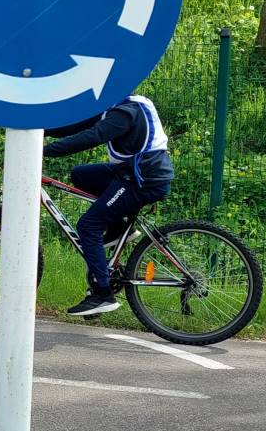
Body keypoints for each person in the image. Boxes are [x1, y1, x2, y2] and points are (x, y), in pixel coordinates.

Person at [43, 94, 174, 318]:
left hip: (142, 180)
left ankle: (102, 294)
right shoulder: (119, 105)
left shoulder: (126, 112)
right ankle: (119, 227)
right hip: (133, 171)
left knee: (88, 226)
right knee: (80, 175)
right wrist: (40, 131)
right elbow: (80, 124)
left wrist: (45, 151)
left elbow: (94, 135)